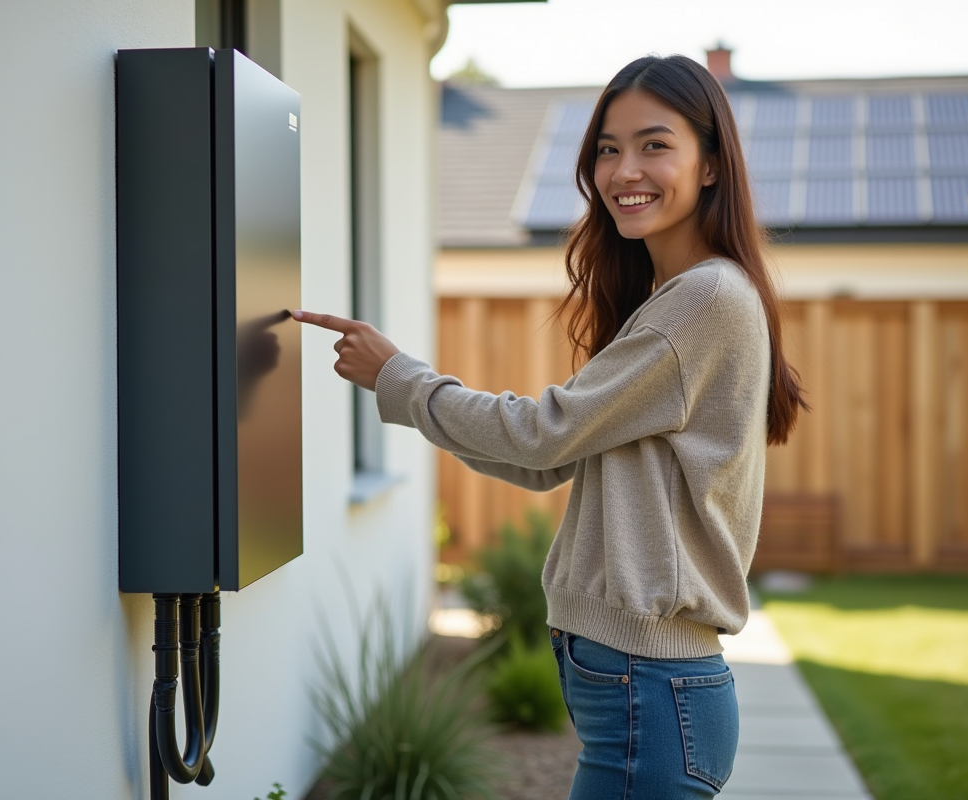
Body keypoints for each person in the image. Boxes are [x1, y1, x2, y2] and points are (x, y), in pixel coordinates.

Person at [293, 54, 807, 800]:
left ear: (710, 165)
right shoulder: (680, 298)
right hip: (644, 686)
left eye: (654, 144)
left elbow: (540, 435)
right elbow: (545, 463)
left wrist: (400, 378)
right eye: (607, 148)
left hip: (649, 684)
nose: (624, 168)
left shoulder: (702, 302)